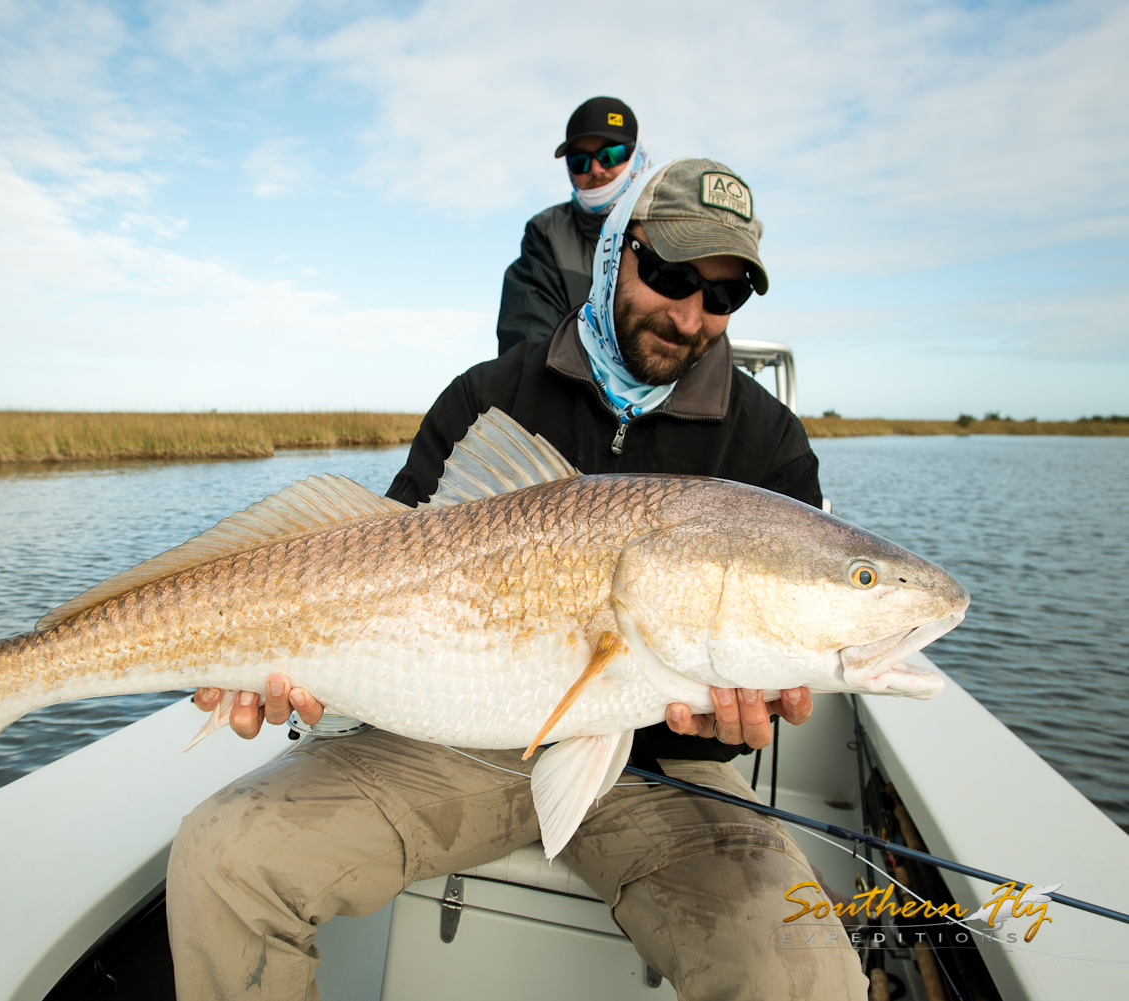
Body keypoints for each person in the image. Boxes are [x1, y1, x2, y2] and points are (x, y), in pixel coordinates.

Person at [168, 158, 867, 1000]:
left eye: (723, 296)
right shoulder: (490, 395)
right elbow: (366, 567)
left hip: (666, 773)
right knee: (222, 859)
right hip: (452, 745)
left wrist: (742, 714)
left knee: (807, 979)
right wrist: (292, 672)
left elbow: (776, 650)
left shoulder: (770, 448)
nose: (689, 314)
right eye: (671, 274)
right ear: (617, 250)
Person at [495, 95, 653, 357]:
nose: (595, 169)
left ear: (639, 153)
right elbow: (527, 349)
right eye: (579, 161)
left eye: (610, 155)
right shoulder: (545, 233)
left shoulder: (673, 228)